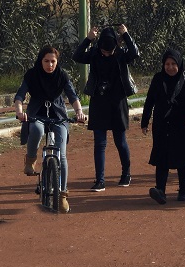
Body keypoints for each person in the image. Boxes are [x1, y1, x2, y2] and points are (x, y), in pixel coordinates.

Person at [14, 45, 86, 213]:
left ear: (57, 62)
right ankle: (30, 160)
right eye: (46, 61)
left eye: (53, 61)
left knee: (61, 155)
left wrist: (79, 112)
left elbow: (73, 96)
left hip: (58, 116)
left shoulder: (62, 75)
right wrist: (19, 111)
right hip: (36, 115)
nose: (50, 65)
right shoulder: (32, 75)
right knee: (37, 130)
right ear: (41, 61)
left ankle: (62, 195)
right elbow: (20, 95)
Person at [73, 24, 139, 192]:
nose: (106, 54)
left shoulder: (121, 53)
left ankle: (126, 174)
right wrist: (88, 39)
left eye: (109, 51)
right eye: (104, 51)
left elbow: (135, 53)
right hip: (99, 101)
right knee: (99, 143)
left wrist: (126, 35)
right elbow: (77, 56)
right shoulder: (95, 53)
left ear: (115, 46)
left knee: (120, 141)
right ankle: (100, 180)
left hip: (118, 101)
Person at [141, 49, 185, 205]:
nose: (170, 67)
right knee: (162, 158)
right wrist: (145, 121)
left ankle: (183, 190)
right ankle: (160, 190)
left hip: (183, 125)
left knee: (182, 158)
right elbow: (149, 101)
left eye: (173, 64)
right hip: (162, 124)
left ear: (179, 64)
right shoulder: (158, 79)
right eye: (167, 64)